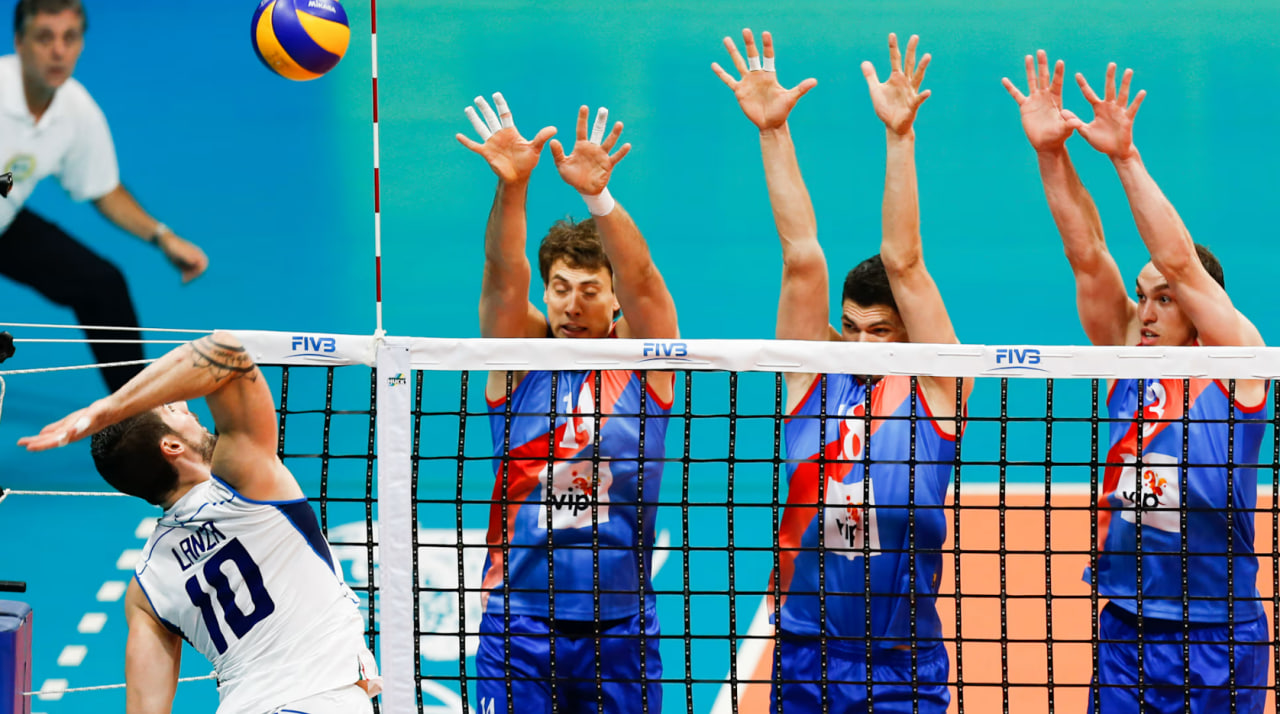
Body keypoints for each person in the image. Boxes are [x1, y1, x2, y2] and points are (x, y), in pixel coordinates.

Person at [1005, 51, 1271, 712]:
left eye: (1166, 299)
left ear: (1203, 309)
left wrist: (1125, 159)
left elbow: (1180, 261)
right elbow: (1087, 251)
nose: (1146, 312)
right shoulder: (1128, 353)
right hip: (1127, 625)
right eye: (1141, 296)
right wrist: (1050, 155)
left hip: (1220, 630)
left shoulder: (1240, 364)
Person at [713, 29, 970, 713]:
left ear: (911, 335)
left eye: (880, 332)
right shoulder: (814, 377)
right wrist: (773, 133)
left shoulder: (936, 388)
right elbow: (802, 256)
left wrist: (899, 137)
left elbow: (905, 261)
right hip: (804, 655)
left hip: (902, 664)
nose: (859, 346)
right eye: (849, 329)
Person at [455, 94, 679, 712]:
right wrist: (512, 189)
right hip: (520, 623)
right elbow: (503, 273)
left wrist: (598, 199)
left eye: (589, 291)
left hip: (621, 627)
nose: (572, 305)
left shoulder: (645, 360)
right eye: (559, 289)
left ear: (613, 302)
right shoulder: (519, 358)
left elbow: (647, 283)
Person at [18, 332, 379, 714]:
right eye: (172, 410)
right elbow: (226, 352)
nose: (187, 404)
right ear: (171, 447)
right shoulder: (247, 485)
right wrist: (107, 409)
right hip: (321, 700)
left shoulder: (146, 588)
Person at [1, 0, 208, 392]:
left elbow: (103, 188)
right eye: (45, 37)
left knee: (102, 285)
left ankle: (137, 426)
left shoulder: (74, 107)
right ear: (20, 43)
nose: (58, 50)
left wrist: (162, 237)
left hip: (4, 222)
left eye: (70, 37)